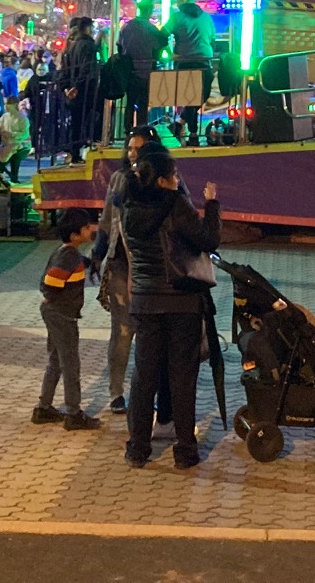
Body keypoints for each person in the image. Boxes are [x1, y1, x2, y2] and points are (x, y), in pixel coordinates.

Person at [116, 144, 220, 469]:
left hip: (145, 302)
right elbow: (208, 239)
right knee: (182, 377)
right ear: (162, 180)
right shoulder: (176, 204)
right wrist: (212, 204)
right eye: (173, 175)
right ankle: (186, 451)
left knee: (144, 376)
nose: (177, 179)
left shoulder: (129, 209)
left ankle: (137, 449)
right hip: (182, 301)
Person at [90, 128, 155, 413]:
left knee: (151, 333)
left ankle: (147, 392)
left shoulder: (163, 180)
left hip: (151, 266)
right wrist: (97, 255)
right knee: (123, 331)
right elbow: (106, 222)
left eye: (138, 149)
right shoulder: (118, 179)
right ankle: (117, 393)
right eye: (129, 148)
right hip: (120, 264)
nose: (132, 154)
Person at [32, 208, 103, 431]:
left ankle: (44, 407)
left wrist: (91, 264)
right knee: (70, 363)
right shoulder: (67, 255)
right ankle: (74, 413)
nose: (90, 229)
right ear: (75, 235)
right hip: (62, 315)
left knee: (56, 360)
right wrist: (51, 298)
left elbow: (80, 262)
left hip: (57, 313)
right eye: (86, 228)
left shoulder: (68, 252)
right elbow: (50, 282)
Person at [166, 0, 217, 146]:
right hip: (204, 61)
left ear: (182, 0)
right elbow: (212, 39)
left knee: (189, 97)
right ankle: (188, 130)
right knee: (201, 95)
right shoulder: (207, 17)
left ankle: (184, 126)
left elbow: (162, 34)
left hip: (185, 62)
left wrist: (170, 53)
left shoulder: (177, 17)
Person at [58, 17, 100, 162]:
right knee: (87, 121)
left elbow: (64, 70)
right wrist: (77, 87)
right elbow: (87, 69)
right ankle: (83, 150)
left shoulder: (71, 47)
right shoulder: (88, 46)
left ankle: (74, 152)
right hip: (85, 91)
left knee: (75, 124)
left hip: (72, 93)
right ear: (87, 28)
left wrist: (66, 88)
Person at [117, 8, 164, 134]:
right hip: (146, 70)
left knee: (130, 102)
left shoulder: (126, 27)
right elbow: (159, 46)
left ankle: (127, 130)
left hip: (129, 70)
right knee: (143, 103)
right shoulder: (151, 28)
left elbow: (120, 46)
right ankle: (141, 130)